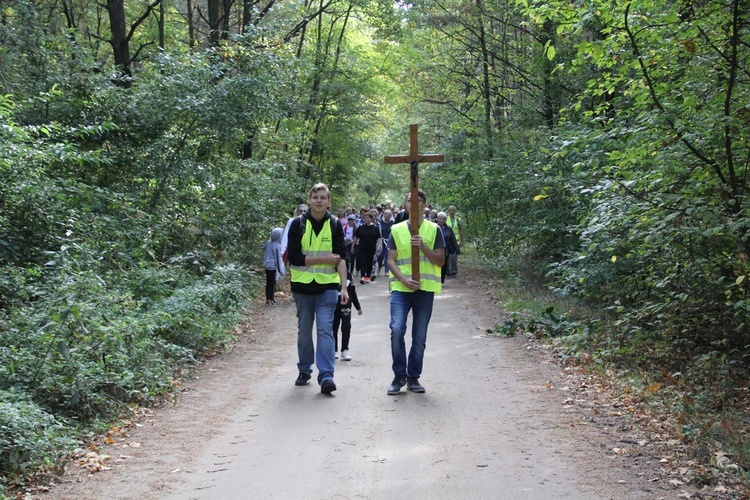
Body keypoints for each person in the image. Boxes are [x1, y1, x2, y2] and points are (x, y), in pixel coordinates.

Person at [287, 183, 348, 394]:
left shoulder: (335, 225)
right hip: (302, 288)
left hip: (328, 288)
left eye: (323, 197)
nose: (319, 200)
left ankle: (326, 376)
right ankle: (304, 369)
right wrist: (324, 259)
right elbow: (293, 257)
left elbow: (340, 257)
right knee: (304, 332)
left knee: (325, 330)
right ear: (310, 200)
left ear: (329, 202)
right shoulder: (297, 224)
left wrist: (344, 287)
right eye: (315, 197)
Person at [386, 188, 445, 395]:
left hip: (425, 290)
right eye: (409, 200)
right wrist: (403, 279)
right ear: (405, 205)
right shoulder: (396, 229)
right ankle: (399, 375)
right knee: (397, 329)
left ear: (424, 204)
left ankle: (413, 377)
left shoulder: (434, 230)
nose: (413, 203)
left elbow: (440, 260)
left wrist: (424, 247)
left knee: (419, 337)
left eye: (417, 200)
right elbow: (391, 260)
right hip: (401, 289)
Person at [333, 270, 362, 361]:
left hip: (345, 305)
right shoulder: (330, 272)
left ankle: (345, 349)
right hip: (333, 305)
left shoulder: (348, 275)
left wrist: (358, 307)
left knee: (346, 326)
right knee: (333, 327)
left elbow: (352, 292)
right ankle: (333, 350)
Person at [351, 211, 380, 284]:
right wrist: (352, 246)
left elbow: (379, 238)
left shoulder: (375, 228)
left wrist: (378, 246)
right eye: (364, 218)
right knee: (363, 261)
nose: (365, 219)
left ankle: (368, 276)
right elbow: (356, 237)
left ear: (371, 219)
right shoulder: (361, 228)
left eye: (367, 218)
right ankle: (362, 276)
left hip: (371, 247)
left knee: (369, 262)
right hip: (362, 247)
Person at [262, 227, 285, 305]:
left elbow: (263, 248)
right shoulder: (277, 246)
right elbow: (278, 259)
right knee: (272, 283)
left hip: (267, 265)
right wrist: (281, 271)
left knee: (269, 283)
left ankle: (268, 299)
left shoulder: (269, 242)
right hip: (272, 266)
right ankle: (270, 300)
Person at [436, 212, 458, 284]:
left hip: (446, 250)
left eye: (443, 219)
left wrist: (456, 249)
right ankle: (436, 279)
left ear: (445, 220)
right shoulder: (434, 227)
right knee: (436, 265)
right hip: (436, 249)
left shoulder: (449, 229)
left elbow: (453, 239)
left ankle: (442, 281)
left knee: (444, 265)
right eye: (440, 219)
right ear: (437, 219)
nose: (441, 221)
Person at [446, 205, 465, 277]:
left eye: (453, 210)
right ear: (448, 211)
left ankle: (453, 271)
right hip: (447, 240)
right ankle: (447, 271)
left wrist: (462, 240)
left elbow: (461, 230)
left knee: (454, 256)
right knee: (446, 256)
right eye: (450, 210)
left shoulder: (458, 220)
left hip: (455, 241)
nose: (451, 212)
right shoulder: (445, 219)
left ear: (455, 211)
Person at [376, 209, 395, 277]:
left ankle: (387, 271)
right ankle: (379, 266)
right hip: (382, 241)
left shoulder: (393, 223)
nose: (387, 216)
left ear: (390, 216)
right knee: (380, 256)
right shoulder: (380, 223)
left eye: (388, 214)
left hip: (389, 241)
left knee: (387, 255)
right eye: (386, 214)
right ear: (384, 215)